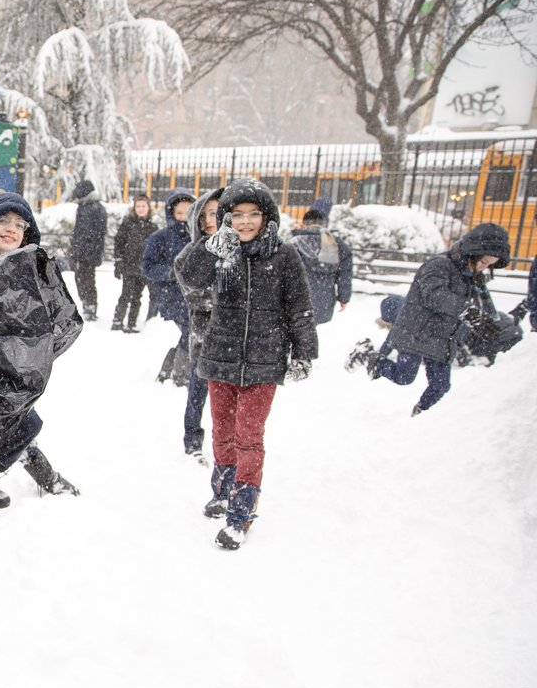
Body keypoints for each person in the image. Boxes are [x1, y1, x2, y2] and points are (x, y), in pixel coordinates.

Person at [178, 178, 318, 550]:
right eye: (237, 215)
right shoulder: (219, 250)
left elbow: (300, 308)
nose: (245, 222)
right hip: (220, 357)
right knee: (222, 432)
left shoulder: (285, 255)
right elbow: (188, 276)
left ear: (266, 217)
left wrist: (304, 352)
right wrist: (210, 248)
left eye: (253, 214)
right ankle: (222, 491)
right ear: (226, 218)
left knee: (248, 437)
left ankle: (241, 512)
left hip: (264, 361)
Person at [0, 192, 79, 508]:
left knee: (23, 424)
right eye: (3, 221)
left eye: (19, 224)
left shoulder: (30, 270)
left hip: (9, 375)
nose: (11, 229)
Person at [346, 223, 511, 416]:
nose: (484, 268)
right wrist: (467, 312)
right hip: (415, 330)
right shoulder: (439, 265)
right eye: (483, 262)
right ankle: (366, 354)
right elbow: (435, 295)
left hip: (442, 338)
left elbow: (480, 304)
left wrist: (484, 321)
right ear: (471, 252)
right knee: (403, 376)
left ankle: (421, 419)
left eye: (489, 265)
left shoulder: (470, 277)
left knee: (440, 386)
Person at [176, 187, 224, 462]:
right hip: (205, 337)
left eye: (215, 213)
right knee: (198, 391)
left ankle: (226, 448)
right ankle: (193, 440)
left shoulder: (245, 251)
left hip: (238, 341)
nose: (209, 220)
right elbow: (197, 295)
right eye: (203, 214)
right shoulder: (190, 254)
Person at [143, 188, 196, 385]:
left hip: (196, 296)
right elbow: (148, 267)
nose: (183, 217)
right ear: (171, 212)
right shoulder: (160, 238)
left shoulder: (199, 237)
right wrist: (171, 273)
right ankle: (179, 374)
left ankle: (170, 369)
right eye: (179, 212)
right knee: (191, 332)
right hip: (172, 296)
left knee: (192, 333)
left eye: (188, 212)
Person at [288, 207, 353, 325]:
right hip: (324, 299)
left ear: (303, 224)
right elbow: (345, 274)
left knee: (297, 332)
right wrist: (344, 298)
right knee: (312, 331)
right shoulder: (337, 244)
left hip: (298, 299)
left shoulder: (293, 243)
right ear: (324, 224)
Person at [111, 193, 157, 332]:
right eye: (138, 206)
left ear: (148, 208)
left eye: (143, 206)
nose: (141, 209)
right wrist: (118, 261)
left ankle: (131, 323)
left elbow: (156, 248)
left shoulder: (152, 227)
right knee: (125, 295)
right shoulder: (128, 224)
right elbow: (119, 243)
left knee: (137, 297)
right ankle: (117, 321)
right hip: (129, 266)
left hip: (144, 268)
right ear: (134, 208)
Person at [67, 179, 107, 322]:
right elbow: (78, 233)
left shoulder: (95, 209)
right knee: (81, 279)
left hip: (88, 253)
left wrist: (88, 252)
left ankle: (90, 306)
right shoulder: (84, 207)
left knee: (87, 280)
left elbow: (98, 234)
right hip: (81, 251)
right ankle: (86, 304)